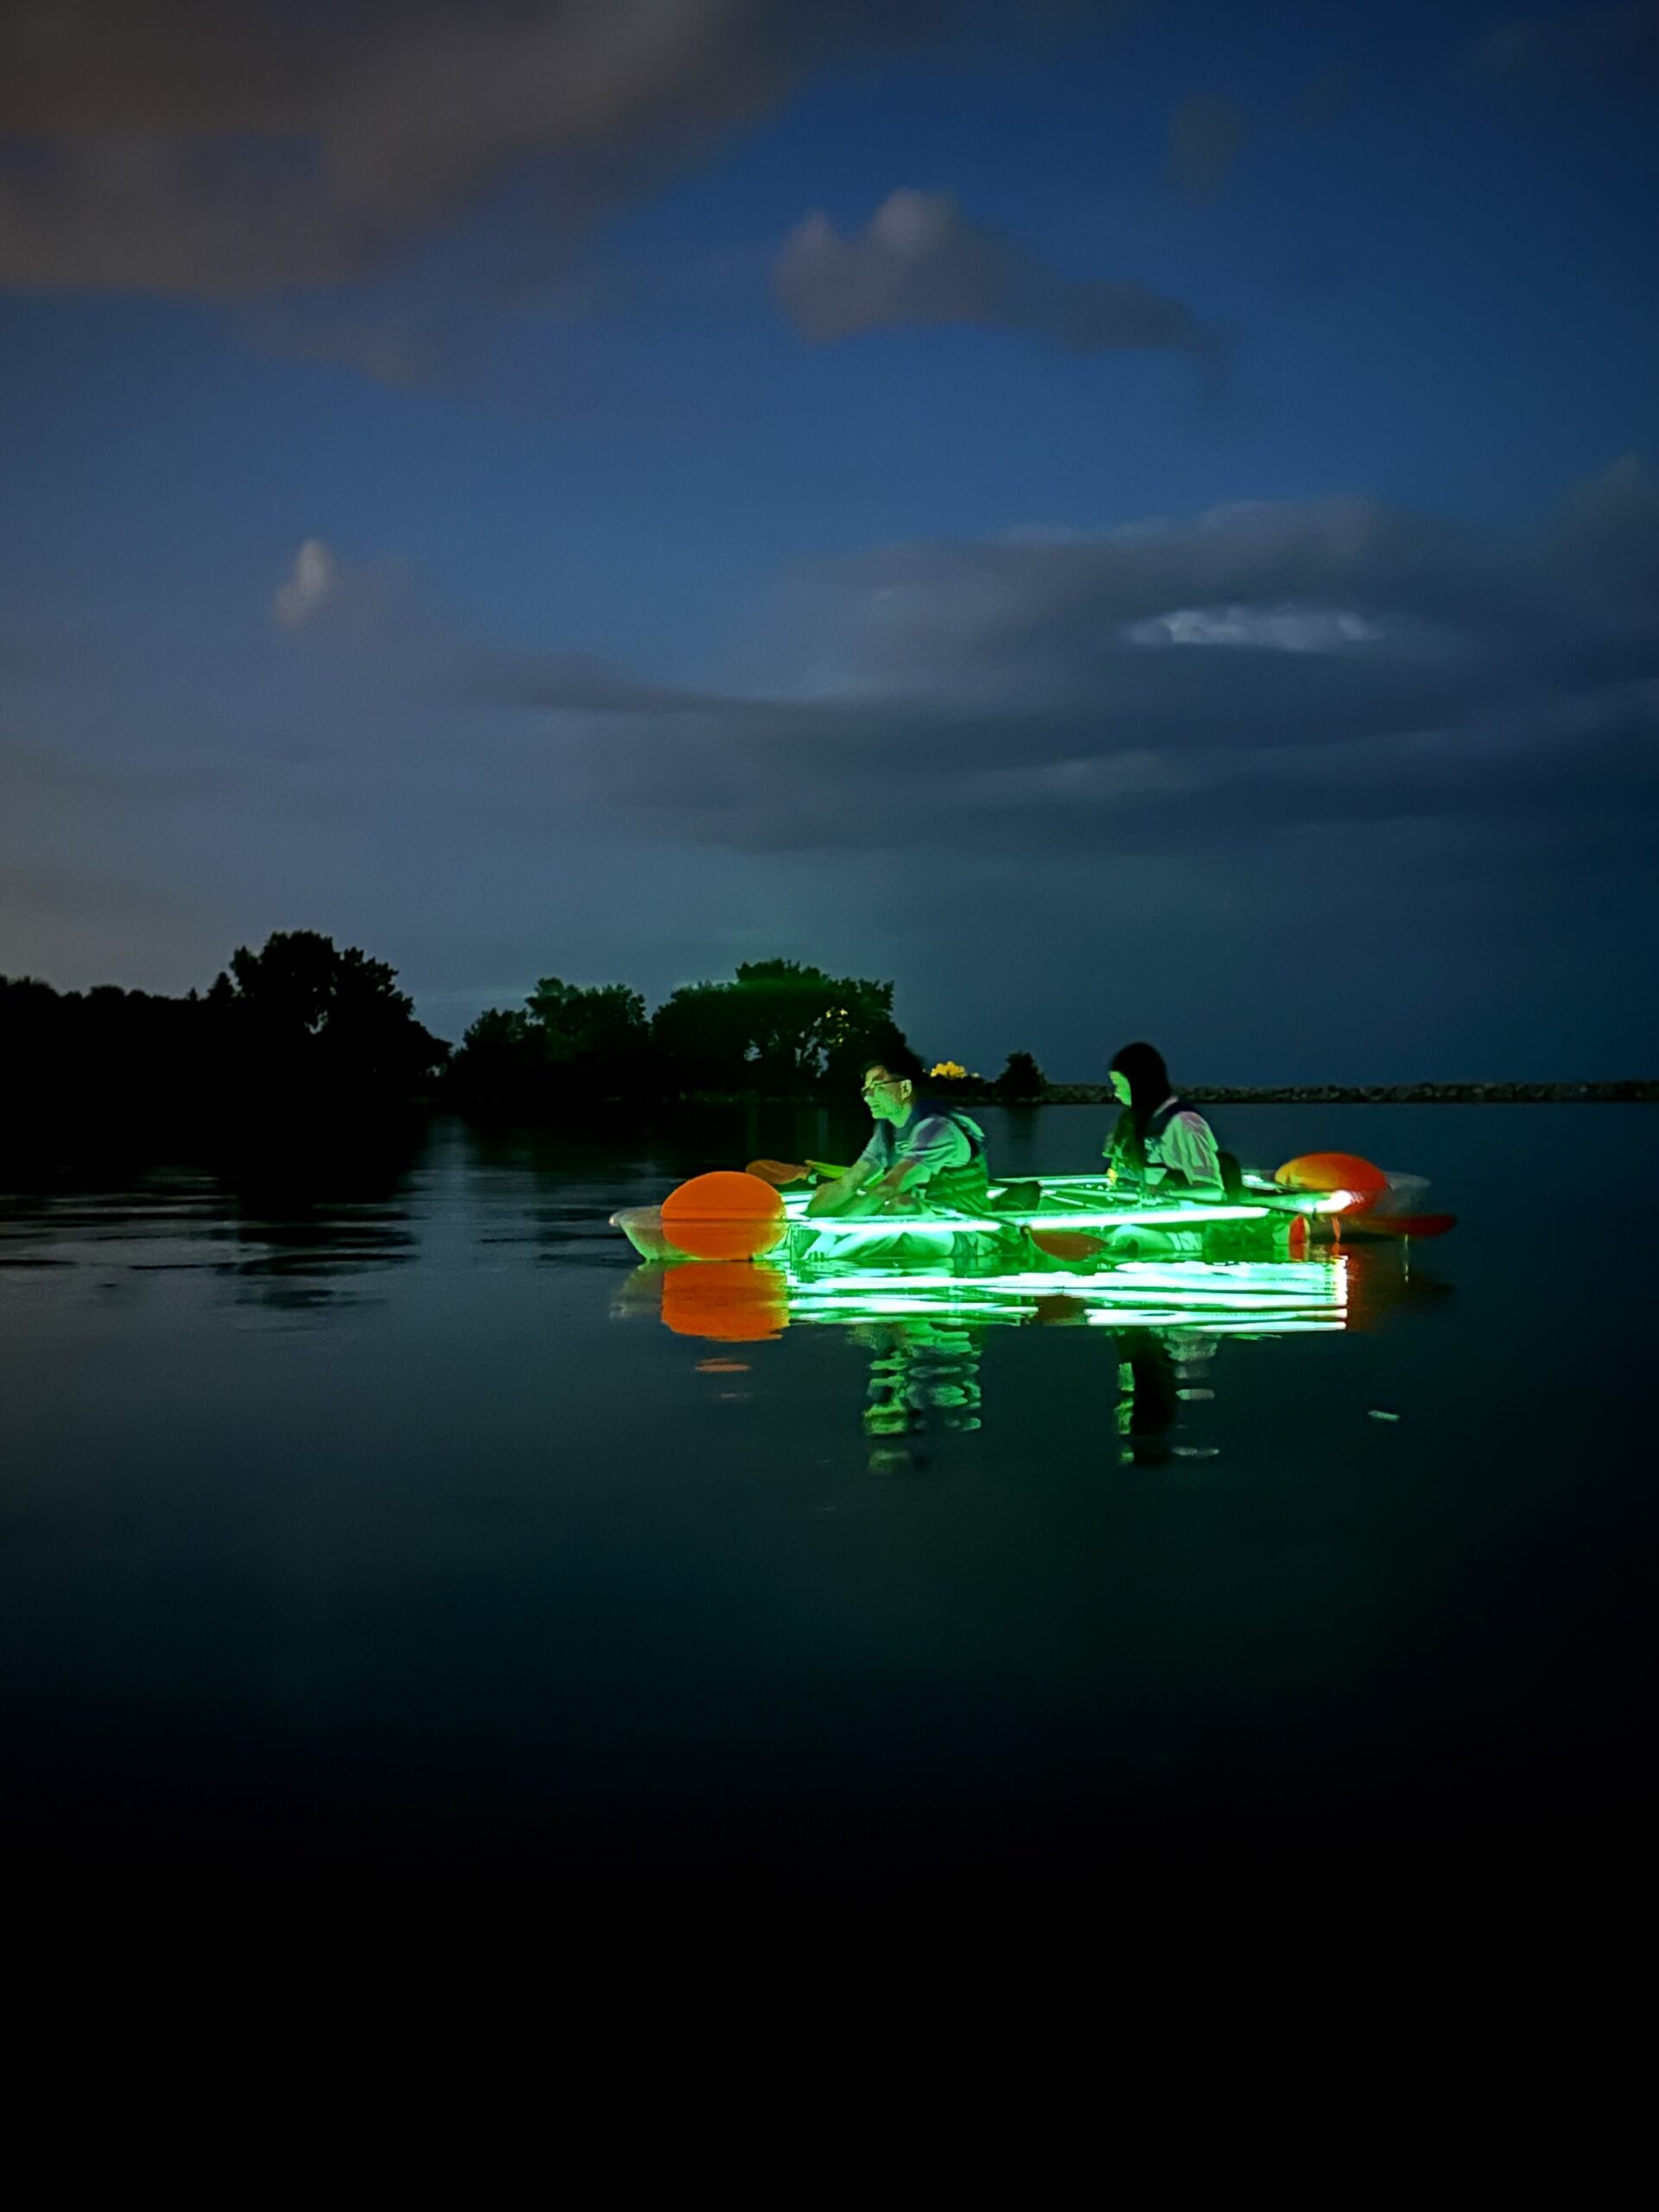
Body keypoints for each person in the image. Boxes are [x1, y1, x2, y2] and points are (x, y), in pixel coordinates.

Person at [808, 1048, 992, 1221]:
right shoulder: (887, 1131)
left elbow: (886, 1189)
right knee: (826, 1192)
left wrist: (834, 1230)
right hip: (928, 1228)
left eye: (877, 1086)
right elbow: (850, 1182)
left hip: (965, 1230)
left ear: (905, 1088)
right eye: (866, 1089)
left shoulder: (936, 1129)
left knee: (900, 1206)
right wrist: (810, 1216)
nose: (868, 1096)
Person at [1103, 1040, 1225, 1198]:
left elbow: (1211, 1190)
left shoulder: (1185, 1123)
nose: (1116, 1094)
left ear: (1138, 1082)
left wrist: (1164, 1193)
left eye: (1119, 1086)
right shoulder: (1132, 1123)